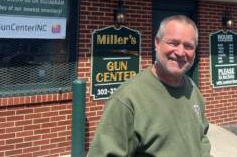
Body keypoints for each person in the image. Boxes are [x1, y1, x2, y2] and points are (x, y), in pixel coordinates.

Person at [88, 15, 212, 157]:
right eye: (173, 43)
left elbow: (201, 137)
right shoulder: (127, 99)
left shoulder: (192, 88)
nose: (180, 52)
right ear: (157, 43)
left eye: (188, 46)